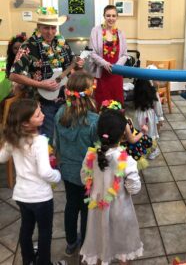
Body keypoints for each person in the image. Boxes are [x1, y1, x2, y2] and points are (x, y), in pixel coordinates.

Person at [0, 99, 64, 265]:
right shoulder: (40, 142)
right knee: (44, 232)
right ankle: (44, 262)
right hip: (41, 198)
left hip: (21, 196)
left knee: (26, 228)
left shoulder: (12, 140)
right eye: (37, 114)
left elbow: (2, 158)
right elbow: (45, 172)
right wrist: (57, 175)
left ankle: (27, 259)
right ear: (25, 124)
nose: (43, 115)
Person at [9, 6, 84, 143]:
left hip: (64, 99)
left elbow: (71, 66)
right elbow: (14, 75)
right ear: (38, 27)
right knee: (46, 140)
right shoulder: (28, 46)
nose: (50, 32)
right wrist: (40, 84)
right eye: (46, 28)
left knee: (65, 137)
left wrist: (78, 65)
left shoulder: (62, 43)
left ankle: (61, 163)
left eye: (53, 28)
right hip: (40, 104)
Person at [80, 109, 143, 265]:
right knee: (122, 241)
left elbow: (84, 179)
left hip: (97, 209)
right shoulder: (126, 160)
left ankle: (102, 259)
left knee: (99, 237)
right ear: (123, 135)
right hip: (121, 209)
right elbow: (134, 188)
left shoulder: (90, 156)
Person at [54, 71, 99, 257]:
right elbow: (98, 149)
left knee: (71, 205)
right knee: (87, 207)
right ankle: (87, 244)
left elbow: (56, 143)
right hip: (88, 174)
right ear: (89, 93)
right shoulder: (93, 121)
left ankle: (71, 243)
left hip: (67, 170)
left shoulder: (59, 114)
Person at [89, 5, 128, 107]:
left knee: (117, 102)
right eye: (108, 15)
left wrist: (117, 67)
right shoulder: (96, 31)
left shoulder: (121, 33)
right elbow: (92, 53)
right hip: (101, 74)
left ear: (117, 17)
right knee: (101, 102)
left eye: (113, 16)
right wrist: (105, 64)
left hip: (116, 75)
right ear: (104, 16)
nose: (111, 18)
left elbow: (125, 54)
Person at [101, 99, 152, 169]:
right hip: (126, 148)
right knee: (127, 166)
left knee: (116, 166)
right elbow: (132, 140)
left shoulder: (103, 124)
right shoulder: (125, 122)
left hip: (112, 147)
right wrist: (143, 132)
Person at [133, 79, 164, 160]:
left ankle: (140, 150)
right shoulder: (153, 93)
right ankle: (152, 152)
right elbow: (158, 106)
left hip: (138, 116)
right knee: (150, 133)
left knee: (139, 132)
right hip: (149, 117)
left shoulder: (136, 92)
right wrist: (160, 117)